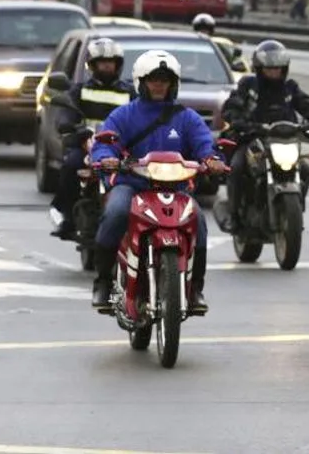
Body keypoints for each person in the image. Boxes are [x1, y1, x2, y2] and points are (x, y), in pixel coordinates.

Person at [89, 50, 228, 311]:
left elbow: (205, 144)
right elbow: (104, 143)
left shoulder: (187, 117)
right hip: (132, 185)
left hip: (176, 188)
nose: (159, 85)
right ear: (141, 81)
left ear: (173, 84)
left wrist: (211, 160)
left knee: (198, 221)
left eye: (165, 80)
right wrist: (106, 157)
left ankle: (195, 289)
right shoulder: (123, 115)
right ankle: (103, 282)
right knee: (116, 212)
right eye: (153, 79)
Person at [220, 40, 309, 231]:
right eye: (269, 68)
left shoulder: (290, 87)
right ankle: (233, 216)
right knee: (236, 167)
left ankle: (294, 213)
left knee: (306, 171)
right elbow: (232, 105)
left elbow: (306, 105)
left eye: (278, 68)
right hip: (253, 140)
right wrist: (237, 118)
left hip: (285, 141)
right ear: (260, 68)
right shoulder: (248, 85)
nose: (274, 72)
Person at [49, 38, 136, 238]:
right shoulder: (80, 90)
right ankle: (67, 217)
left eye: (111, 62)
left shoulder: (130, 92)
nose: (107, 66)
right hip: (87, 145)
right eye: (102, 62)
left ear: (118, 64)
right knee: (71, 165)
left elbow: (141, 117)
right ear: (92, 65)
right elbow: (66, 115)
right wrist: (71, 128)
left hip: (120, 149)